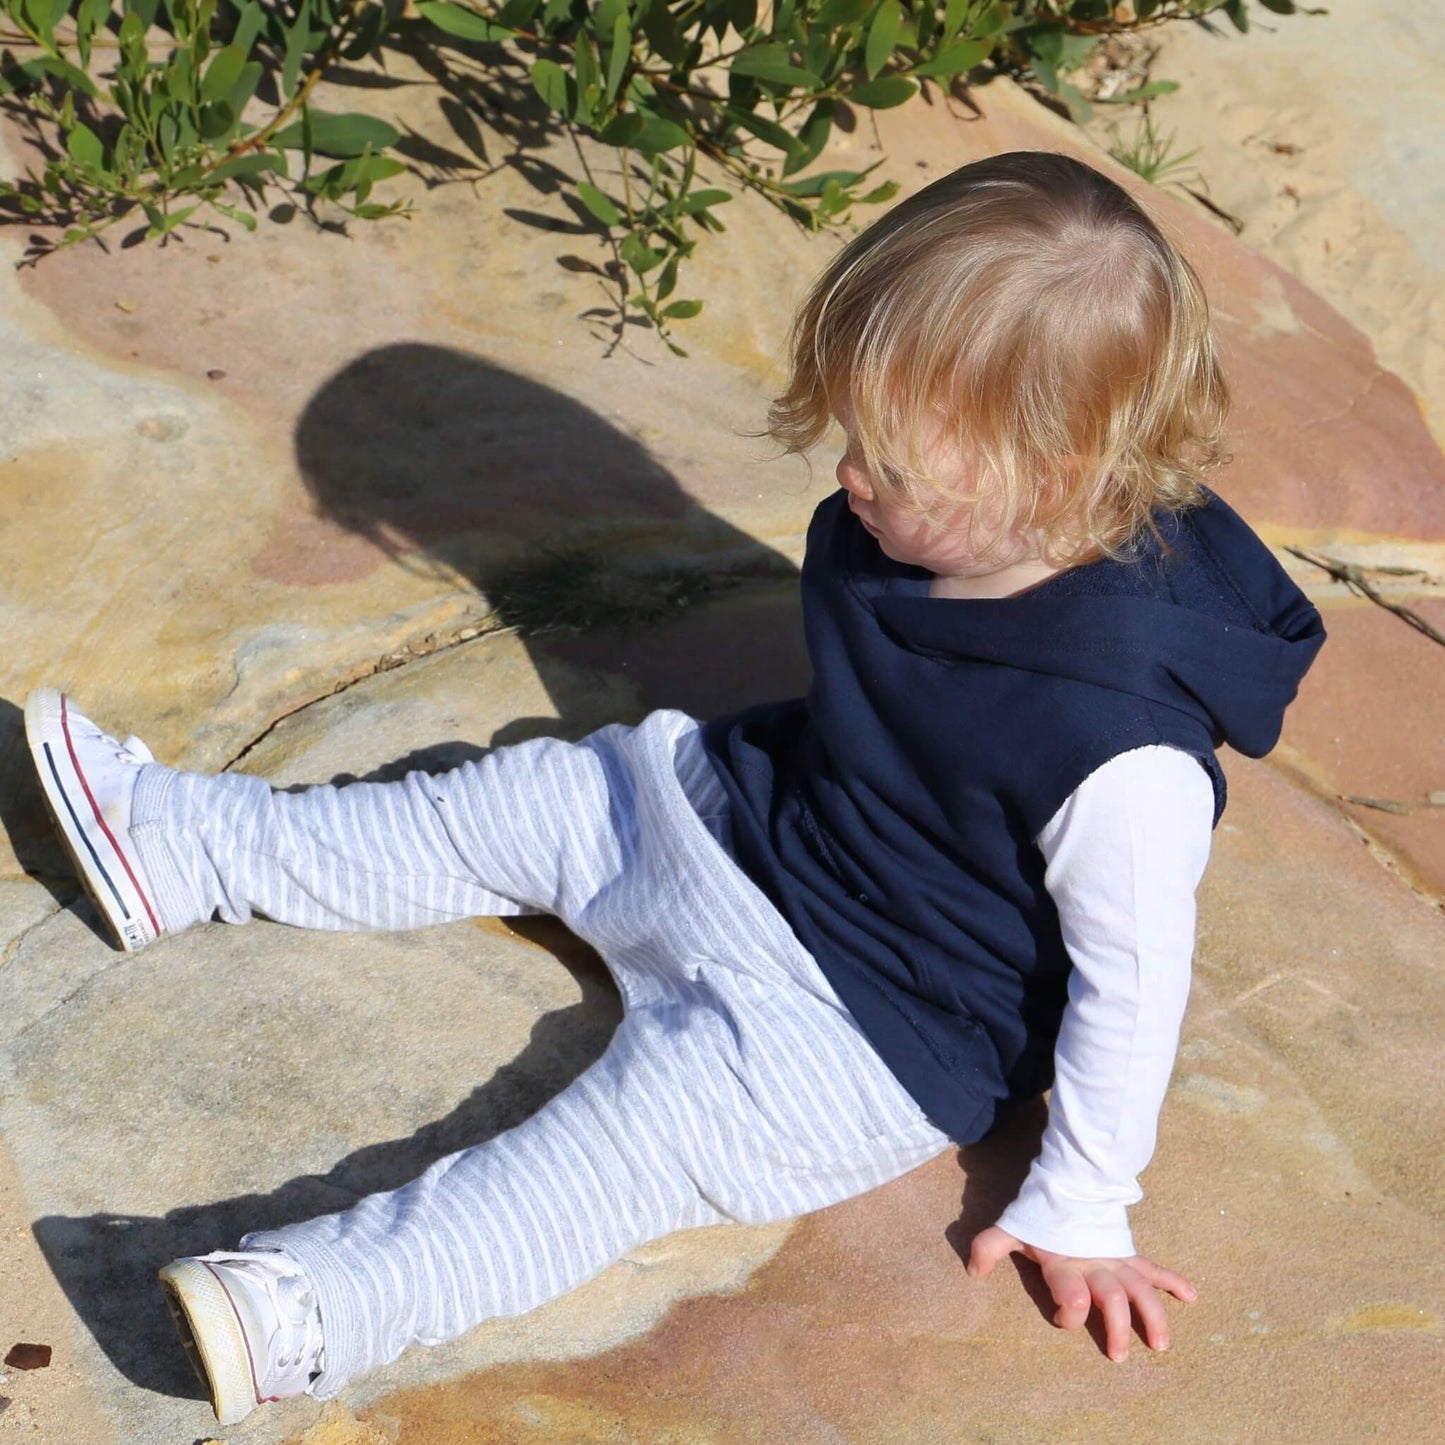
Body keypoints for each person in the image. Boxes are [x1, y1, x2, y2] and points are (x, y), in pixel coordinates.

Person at [24, 151, 1324, 1428]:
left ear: (1047, 476)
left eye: (890, 462)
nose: (848, 476)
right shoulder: (953, 515)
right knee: (529, 799)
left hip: (867, 1034)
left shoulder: (1122, 753)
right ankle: (186, 847)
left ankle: (324, 1306)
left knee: (627, 1144)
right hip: (750, 821)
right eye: (851, 434)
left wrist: (1084, 1197)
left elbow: (1131, 982)